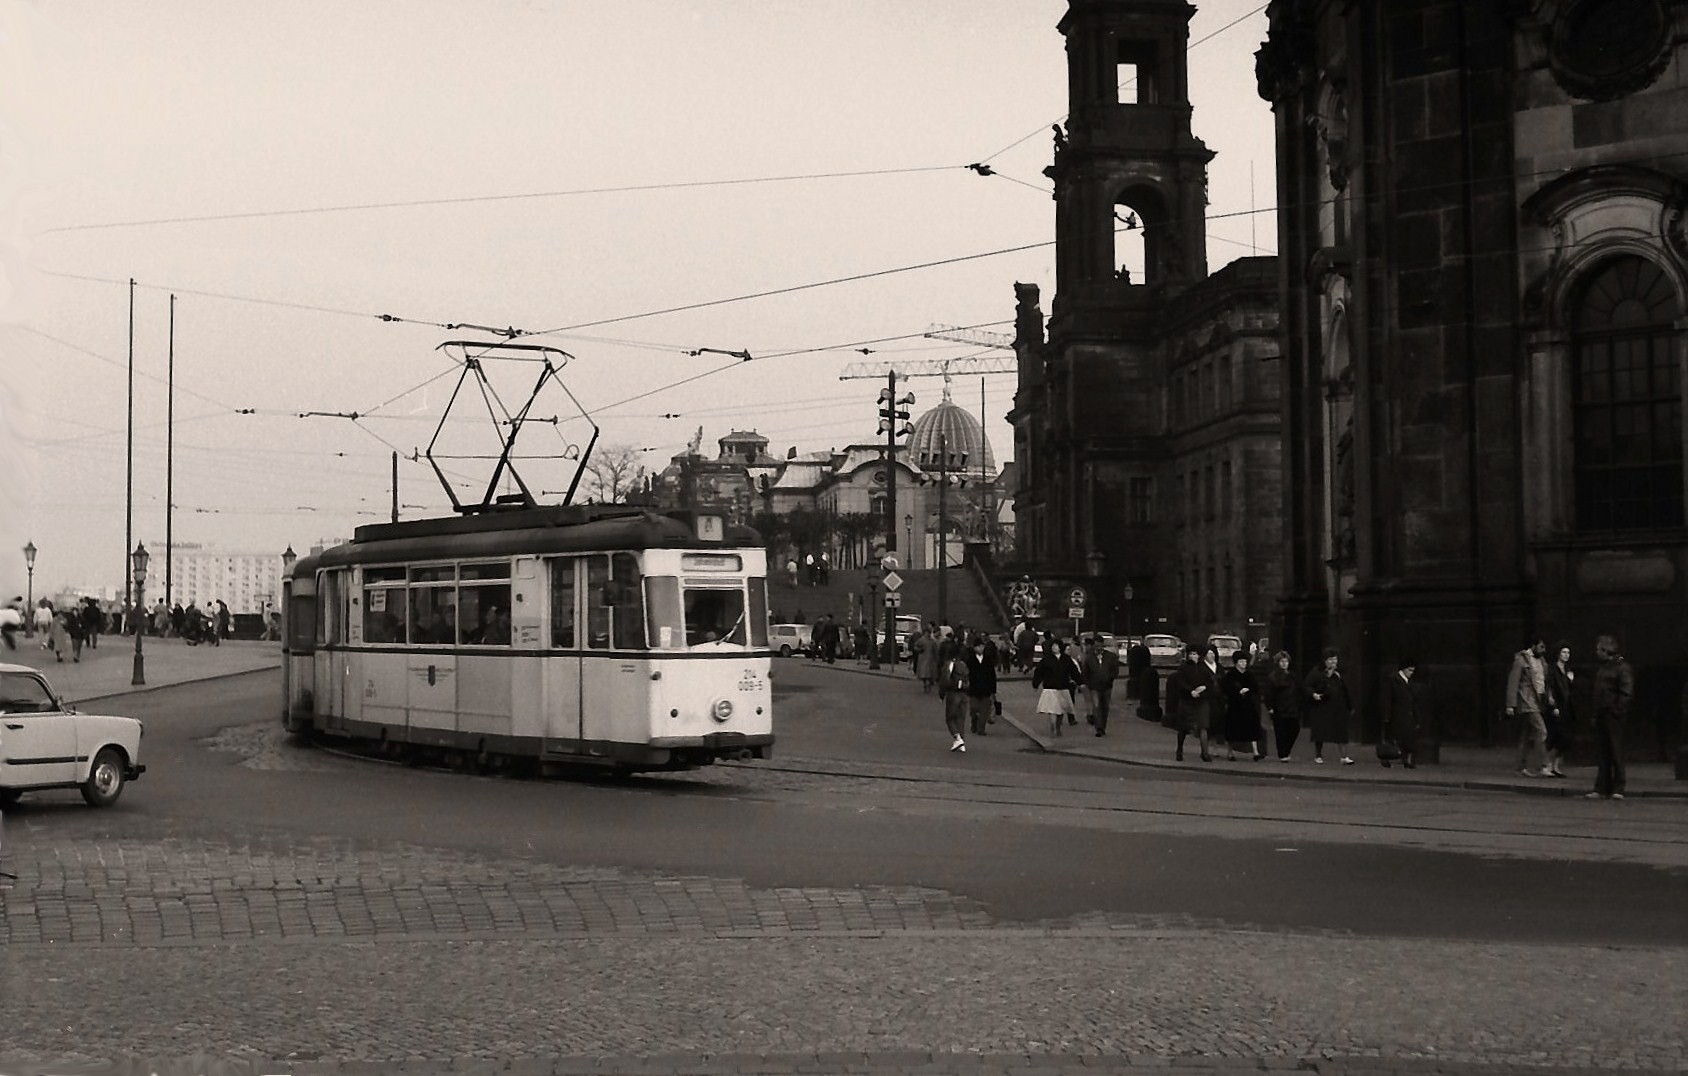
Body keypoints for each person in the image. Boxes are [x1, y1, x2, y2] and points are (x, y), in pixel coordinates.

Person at [1586, 634, 1634, 800]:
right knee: (1603, 752)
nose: (1596, 652)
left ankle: (1618, 787)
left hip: (1613, 715)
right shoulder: (1605, 667)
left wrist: (1616, 709)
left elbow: (1626, 692)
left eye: (1599, 649)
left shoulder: (1621, 667)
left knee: (1615, 750)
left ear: (1606, 650)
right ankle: (1602, 787)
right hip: (1602, 713)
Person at [1505, 637, 1552, 778]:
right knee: (1541, 731)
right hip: (1527, 701)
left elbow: (1544, 681)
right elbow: (1513, 682)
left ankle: (1520, 767)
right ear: (1533, 646)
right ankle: (1543, 765)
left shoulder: (1542, 661)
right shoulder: (1521, 660)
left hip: (1537, 701)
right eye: (1541, 647)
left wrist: (1548, 696)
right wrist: (1510, 705)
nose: (1543, 650)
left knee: (1526, 736)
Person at [1166, 644, 1218, 762]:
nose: (1193, 656)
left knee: (1203, 726)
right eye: (1191, 654)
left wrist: (1203, 688)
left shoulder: (1203, 668)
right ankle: (1179, 749)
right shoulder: (1183, 668)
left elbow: (1210, 682)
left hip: (1201, 700)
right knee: (1183, 728)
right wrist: (1191, 691)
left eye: (1195, 654)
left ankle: (1204, 752)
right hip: (1187, 700)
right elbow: (1180, 682)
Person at [1303, 647, 1354, 764]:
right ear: (1325, 660)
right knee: (1320, 731)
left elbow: (1346, 689)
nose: (1333, 662)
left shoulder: (1340, 673)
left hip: (1338, 706)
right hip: (1322, 705)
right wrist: (1313, 694)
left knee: (1341, 731)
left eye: (1335, 660)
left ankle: (1344, 756)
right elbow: (1307, 685)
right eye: (1330, 660)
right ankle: (1318, 755)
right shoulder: (1317, 672)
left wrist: (1349, 706)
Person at [1032, 637, 1078, 738]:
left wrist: (1080, 682)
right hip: (1050, 688)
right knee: (1052, 709)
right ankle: (1054, 727)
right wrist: (1035, 683)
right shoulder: (1046, 660)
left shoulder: (1066, 659)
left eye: (1056, 646)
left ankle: (1058, 725)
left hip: (1063, 687)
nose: (1054, 648)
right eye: (1053, 646)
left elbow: (1074, 672)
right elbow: (1039, 672)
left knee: (1061, 710)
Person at [1543, 640, 1576, 779]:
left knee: (1566, 738)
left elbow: (1569, 691)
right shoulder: (1553, 669)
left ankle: (1556, 765)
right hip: (1557, 707)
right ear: (1558, 653)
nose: (1566, 655)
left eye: (1568, 652)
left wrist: (1570, 680)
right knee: (1558, 736)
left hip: (1567, 707)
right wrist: (1553, 706)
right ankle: (1547, 765)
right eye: (1564, 652)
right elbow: (1550, 688)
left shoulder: (1568, 670)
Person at [1221, 652, 1263, 760]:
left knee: (1252, 727)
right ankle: (1230, 752)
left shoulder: (1249, 674)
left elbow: (1255, 687)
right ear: (1236, 663)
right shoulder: (1231, 675)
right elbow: (1225, 688)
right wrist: (1236, 691)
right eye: (1241, 661)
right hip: (1235, 705)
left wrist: (1248, 690)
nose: (1243, 664)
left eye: (1245, 661)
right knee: (1232, 729)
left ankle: (1255, 752)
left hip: (1248, 705)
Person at [1380, 657, 1420, 769]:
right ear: (1404, 669)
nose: (1412, 673)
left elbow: (1413, 701)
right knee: (1393, 738)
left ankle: (1406, 760)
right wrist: (1386, 716)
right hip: (1396, 715)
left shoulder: (1409, 682)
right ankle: (1387, 758)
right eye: (1410, 670)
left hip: (1407, 715)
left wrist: (1416, 717)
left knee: (1408, 739)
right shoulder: (1392, 680)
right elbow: (1387, 698)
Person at [1265, 650, 1301, 761]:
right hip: (1279, 708)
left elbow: (1299, 689)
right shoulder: (1273, 677)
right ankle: (1283, 754)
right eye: (1282, 661)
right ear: (1278, 663)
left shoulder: (1292, 676)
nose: (1284, 664)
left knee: (1294, 729)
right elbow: (1269, 693)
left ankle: (1286, 750)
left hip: (1292, 707)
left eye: (1286, 661)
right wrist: (1270, 707)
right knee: (1280, 732)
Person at [1081, 634, 1120, 737]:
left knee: (1105, 707)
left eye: (1100, 646)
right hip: (1094, 686)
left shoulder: (1110, 657)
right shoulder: (1089, 658)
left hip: (1107, 686)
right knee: (1097, 706)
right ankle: (1099, 728)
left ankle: (1103, 726)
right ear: (1093, 646)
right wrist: (1088, 684)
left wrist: (1110, 678)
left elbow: (1115, 670)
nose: (1099, 648)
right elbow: (1085, 672)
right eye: (1097, 646)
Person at [938, 643, 971, 753]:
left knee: (950, 718)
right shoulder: (963, 664)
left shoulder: (949, 664)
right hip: (964, 694)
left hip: (953, 693)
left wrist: (941, 695)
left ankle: (957, 738)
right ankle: (961, 743)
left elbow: (944, 680)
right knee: (961, 719)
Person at [963, 633, 998, 737]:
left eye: (982, 646)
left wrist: (993, 690)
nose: (981, 648)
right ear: (974, 648)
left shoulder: (988, 660)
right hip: (973, 688)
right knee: (974, 708)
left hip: (986, 689)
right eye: (979, 646)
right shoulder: (970, 660)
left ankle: (981, 729)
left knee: (984, 710)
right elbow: (965, 674)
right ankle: (974, 721)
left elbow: (992, 675)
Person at [913, 626, 940, 693]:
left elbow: (935, 650)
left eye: (929, 633)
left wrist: (936, 658)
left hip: (931, 659)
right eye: (927, 633)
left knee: (930, 673)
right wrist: (919, 650)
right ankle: (925, 683)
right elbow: (915, 646)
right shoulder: (921, 640)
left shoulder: (932, 641)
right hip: (923, 658)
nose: (928, 634)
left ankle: (929, 684)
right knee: (924, 672)